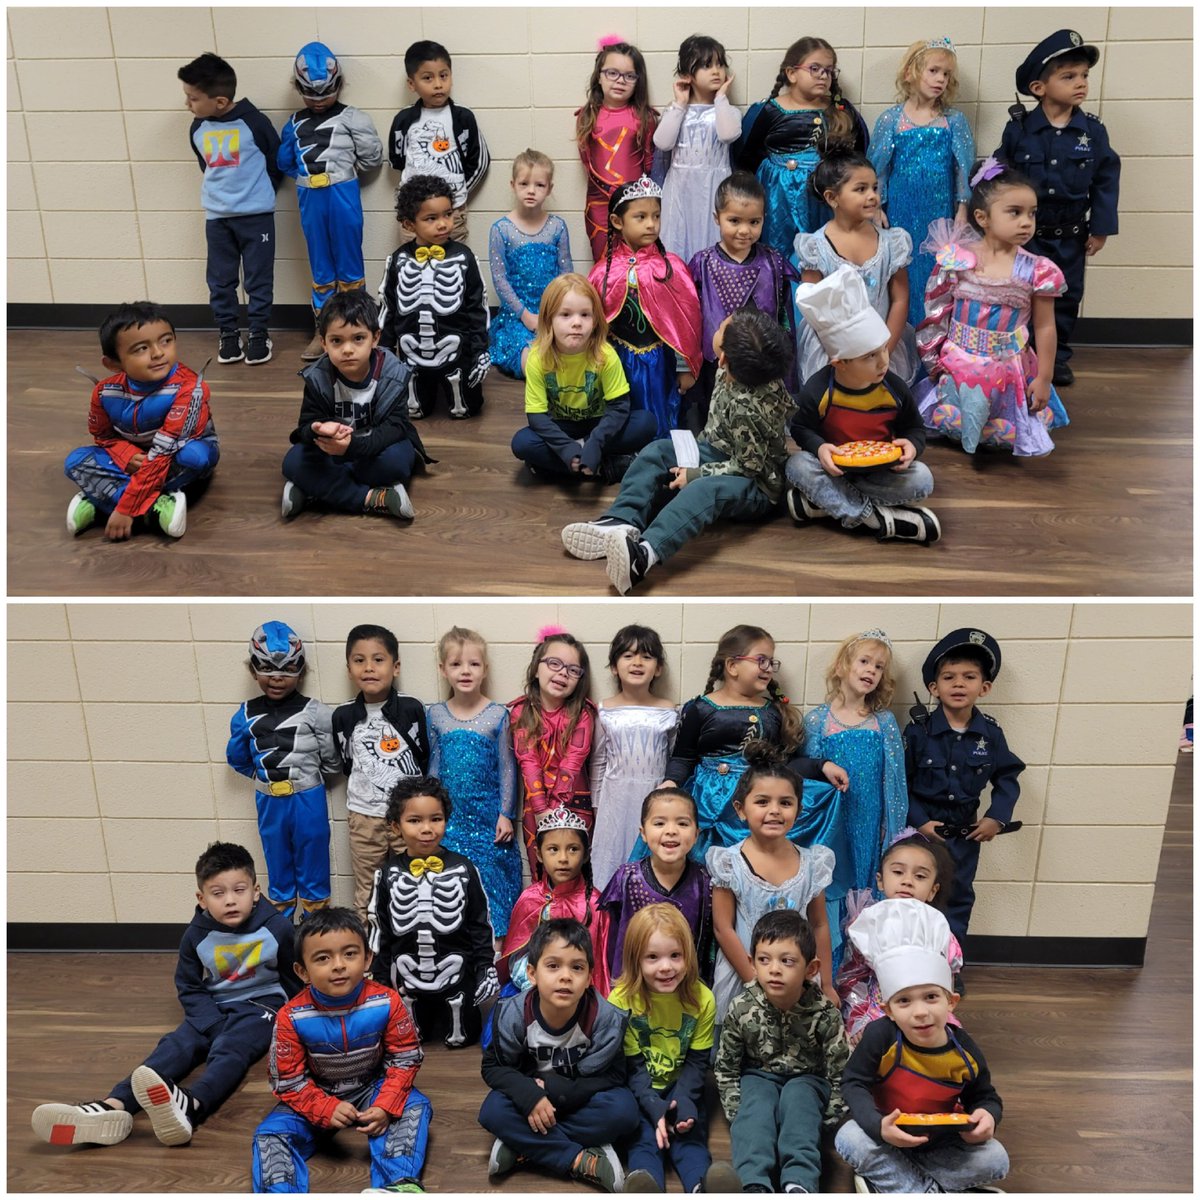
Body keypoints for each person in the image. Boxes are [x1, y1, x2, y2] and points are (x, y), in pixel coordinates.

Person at [32, 843, 297, 1149]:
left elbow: (295, 975)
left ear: (255, 891)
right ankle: (111, 1107)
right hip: (215, 1006)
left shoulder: (277, 928)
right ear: (201, 898)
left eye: (239, 890)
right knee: (175, 1046)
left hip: (261, 1006)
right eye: (218, 893)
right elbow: (189, 985)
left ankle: (191, 1105)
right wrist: (209, 1023)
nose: (230, 900)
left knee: (231, 1049)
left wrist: (295, 1022)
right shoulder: (196, 935)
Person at [560, 306, 794, 594]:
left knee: (702, 491)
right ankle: (621, 520)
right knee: (657, 451)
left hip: (754, 483)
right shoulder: (736, 369)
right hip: (716, 449)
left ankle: (643, 554)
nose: (717, 327)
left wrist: (696, 474)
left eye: (720, 328)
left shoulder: (750, 407)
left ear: (724, 359)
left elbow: (748, 467)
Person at [250, 908, 431, 1193]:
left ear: (367, 958)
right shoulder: (291, 1017)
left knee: (415, 1106)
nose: (338, 965)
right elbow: (287, 1081)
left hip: (373, 1085)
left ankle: (398, 1185)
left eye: (350, 954)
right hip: (316, 1092)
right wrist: (324, 1107)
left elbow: (405, 1058)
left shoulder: (388, 1001)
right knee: (269, 1135)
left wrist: (385, 1104)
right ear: (302, 971)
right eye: (323, 958)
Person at [834, 900, 1009, 1193]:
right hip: (884, 1137)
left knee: (996, 1158)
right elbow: (853, 1083)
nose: (920, 1012)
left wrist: (988, 1117)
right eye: (904, 1000)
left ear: (951, 1001)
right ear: (887, 1009)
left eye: (931, 997)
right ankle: (933, 1190)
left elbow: (985, 1096)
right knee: (848, 1137)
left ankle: (900, 1185)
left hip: (939, 1143)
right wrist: (878, 1126)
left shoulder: (964, 1048)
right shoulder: (880, 1036)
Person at [914, 161, 1070, 456]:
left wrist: (1045, 377)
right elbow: (939, 308)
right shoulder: (958, 259)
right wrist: (934, 355)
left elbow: (1046, 326)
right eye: (1015, 212)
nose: (1027, 222)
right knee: (957, 408)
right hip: (959, 361)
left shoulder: (1037, 270)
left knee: (998, 417)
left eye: (1032, 213)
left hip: (1006, 367)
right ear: (982, 218)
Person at [479, 918, 640, 1193]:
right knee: (493, 1110)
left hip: (579, 1097)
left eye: (577, 967)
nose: (565, 976)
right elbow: (492, 1067)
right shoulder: (515, 1014)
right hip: (533, 1098)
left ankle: (523, 1147)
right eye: (553, 966)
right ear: (532, 973)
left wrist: (554, 1091)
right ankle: (580, 1160)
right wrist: (529, 1095)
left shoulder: (602, 1018)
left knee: (624, 1111)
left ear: (590, 977)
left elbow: (615, 1074)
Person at [998, 29, 1120, 387]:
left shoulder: (1092, 132)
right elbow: (1003, 177)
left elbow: (1106, 178)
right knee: (1020, 291)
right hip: (1026, 233)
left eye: (1084, 76)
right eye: (1068, 76)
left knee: (1065, 295)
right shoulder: (1019, 130)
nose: (1080, 83)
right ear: (1039, 87)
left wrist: (1100, 227)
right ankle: (1021, 353)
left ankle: (1058, 356)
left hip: (1070, 233)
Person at [785, 266, 939, 544]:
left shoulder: (895, 388)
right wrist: (820, 448)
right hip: (834, 470)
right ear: (839, 363)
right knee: (797, 465)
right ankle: (876, 518)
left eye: (882, 348)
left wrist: (912, 447)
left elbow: (914, 428)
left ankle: (826, 503)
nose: (883, 361)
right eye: (869, 356)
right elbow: (800, 429)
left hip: (880, 473)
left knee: (923, 479)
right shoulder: (818, 390)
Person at [904, 628, 1024, 957]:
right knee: (913, 894)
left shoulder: (992, 735)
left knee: (956, 898)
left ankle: (949, 965)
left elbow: (1008, 777)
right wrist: (920, 822)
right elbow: (901, 782)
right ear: (934, 687)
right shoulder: (918, 732)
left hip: (965, 835)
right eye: (949, 677)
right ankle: (911, 961)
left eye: (969, 677)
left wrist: (996, 818)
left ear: (984, 687)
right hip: (920, 832)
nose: (959, 684)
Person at [713, 910, 850, 1194]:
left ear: (811, 969)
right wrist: (737, 1110)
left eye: (787, 961)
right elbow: (726, 1068)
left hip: (808, 1079)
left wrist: (827, 1118)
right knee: (756, 1109)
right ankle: (753, 1185)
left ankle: (799, 1185)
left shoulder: (825, 1014)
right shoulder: (742, 1008)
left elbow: (841, 1074)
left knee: (799, 1102)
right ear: (753, 963)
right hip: (759, 1076)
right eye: (764, 960)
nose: (774, 969)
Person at [609, 905, 738, 1194]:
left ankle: (702, 1187)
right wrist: (654, 1107)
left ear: (688, 956)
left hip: (683, 1086)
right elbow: (632, 1066)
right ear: (635, 959)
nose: (666, 967)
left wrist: (684, 1101)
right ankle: (646, 1185)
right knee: (644, 1139)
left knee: (689, 1137)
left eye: (675, 955)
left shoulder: (702, 999)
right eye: (652, 957)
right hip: (640, 1090)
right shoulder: (621, 1001)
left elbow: (697, 1062)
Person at [64, 301, 219, 542]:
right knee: (74, 461)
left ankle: (103, 499)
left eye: (166, 341)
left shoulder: (189, 388)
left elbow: (164, 452)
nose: (158, 353)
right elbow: (103, 437)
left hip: (174, 454)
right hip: (135, 459)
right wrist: (124, 453)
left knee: (195, 457)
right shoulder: (105, 392)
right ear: (113, 363)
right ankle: (157, 506)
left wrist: (126, 509)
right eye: (140, 349)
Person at [801, 629, 911, 965]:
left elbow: (895, 780)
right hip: (834, 825)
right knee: (834, 889)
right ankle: (831, 968)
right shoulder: (818, 720)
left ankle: (863, 970)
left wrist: (892, 830)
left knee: (866, 883)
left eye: (879, 667)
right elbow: (809, 778)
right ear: (841, 667)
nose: (871, 671)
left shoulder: (883, 722)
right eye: (864, 661)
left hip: (870, 823)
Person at [707, 744, 839, 1021]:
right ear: (741, 810)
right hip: (744, 977)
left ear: (799, 810)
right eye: (763, 802)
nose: (775, 811)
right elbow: (723, 928)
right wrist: (755, 982)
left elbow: (819, 924)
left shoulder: (813, 863)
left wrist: (826, 983)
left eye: (785, 803)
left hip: (797, 978)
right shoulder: (729, 863)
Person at [367, 776, 498, 1049]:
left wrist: (486, 966)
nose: (427, 829)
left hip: (458, 974)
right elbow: (381, 930)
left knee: (465, 1038)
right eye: (414, 821)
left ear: (446, 820)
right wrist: (379, 980)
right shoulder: (388, 873)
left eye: (435, 819)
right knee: (407, 1040)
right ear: (395, 825)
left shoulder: (464, 868)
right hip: (407, 979)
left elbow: (479, 923)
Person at [281, 289, 432, 523]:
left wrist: (352, 448)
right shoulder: (318, 377)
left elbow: (396, 427)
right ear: (323, 343)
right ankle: (373, 498)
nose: (348, 349)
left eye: (358, 338)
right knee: (293, 461)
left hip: (373, 450)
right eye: (336, 341)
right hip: (334, 451)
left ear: (375, 338)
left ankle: (313, 490)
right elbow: (304, 427)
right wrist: (317, 430)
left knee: (397, 461)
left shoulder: (393, 373)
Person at [226, 622, 340, 921]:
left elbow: (332, 758)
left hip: (307, 797)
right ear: (253, 669)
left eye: (287, 669)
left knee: (313, 859)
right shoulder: (245, 714)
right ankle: (282, 931)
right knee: (277, 862)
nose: (277, 677)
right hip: (269, 801)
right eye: (266, 668)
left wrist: (311, 780)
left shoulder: (317, 712)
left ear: (301, 671)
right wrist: (263, 778)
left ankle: (316, 931)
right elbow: (237, 758)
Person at [278, 42, 384, 361]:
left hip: (342, 193)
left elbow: (372, 157)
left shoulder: (354, 118)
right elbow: (285, 161)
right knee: (320, 265)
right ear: (299, 89)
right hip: (310, 195)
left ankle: (360, 328)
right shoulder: (293, 123)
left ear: (339, 85)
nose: (319, 100)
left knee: (350, 262)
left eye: (326, 92)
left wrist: (344, 176)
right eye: (311, 93)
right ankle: (325, 332)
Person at [178, 52, 281, 365]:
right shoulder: (198, 127)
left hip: (256, 218)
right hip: (218, 220)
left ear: (220, 101)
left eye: (193, 98)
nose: (188, 104)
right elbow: (206, 167)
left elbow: (276, 162)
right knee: (220, 281)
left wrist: (258, 196)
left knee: (258, 280)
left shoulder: (255, 122)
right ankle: (228, 335)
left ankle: (259, 334)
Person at [870, 39, 975, 328]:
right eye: (933, 71)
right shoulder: (891, 120)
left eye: (946, 75)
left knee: (936, 272)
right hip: (902, 211)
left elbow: (961, 169)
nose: (940, 79)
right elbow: (877, 168)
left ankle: (935, 337)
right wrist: (877, 204)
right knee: (905, 271)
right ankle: (903, 337)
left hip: (939, 213)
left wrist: (962, 208)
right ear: (910, 73)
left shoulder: (953, 121)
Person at [510, 274, 657, 481]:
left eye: (585, 315)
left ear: (596, 321)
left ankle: (562, 468)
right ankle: (604, 468)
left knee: (646, 423)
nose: (577, 323)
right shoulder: (537, 357)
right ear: (548, 319)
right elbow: (537, 417)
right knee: (522, 443)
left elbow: (619, 406)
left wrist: (595, 442)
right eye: (566, 315)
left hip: (599, 423)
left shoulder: (605, 354)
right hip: (561, 425)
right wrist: (566, 447)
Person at [794, 150, 920, 387]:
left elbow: (900, 300)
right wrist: (841, 354)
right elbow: (811, 305)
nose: (872, 196)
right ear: (833, 198)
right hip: (833, 353)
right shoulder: (815, 247)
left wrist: (882, 352)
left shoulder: (892, 243)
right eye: (861, 189)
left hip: (883, 346)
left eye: (874, 187)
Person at [589, 176, 703, 438]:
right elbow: (593, 324)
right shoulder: (603, 272)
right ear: (618, 222)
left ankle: (659, 454)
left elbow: (685, 322)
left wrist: (684, 367)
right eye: (640, 217)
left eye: (656, 216)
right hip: (617, 363)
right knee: (621, 411)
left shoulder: (671, 268)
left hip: (658, 363)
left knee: (661, 412)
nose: (651, 224)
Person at [427, 626, 521, 939]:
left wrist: (506, 814)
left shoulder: (497, 714)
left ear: (485, 669)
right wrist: (433, 816)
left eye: (473, 664)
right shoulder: (436, 715)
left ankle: (497, 961)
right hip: (451, 821)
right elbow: (435, 768)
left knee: (493, 887)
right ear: (443, 670)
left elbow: (508, 768)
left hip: (488, 821)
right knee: (453, 890)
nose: (465, 671)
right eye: (456, 664)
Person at [735, 36, 868, 258]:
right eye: (814, 68)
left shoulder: (842, 111)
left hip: (824, 196)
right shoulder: (767, 111)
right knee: (780, 253)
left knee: (825, 252)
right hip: (778, 196)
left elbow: (859, 156)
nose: (823, 76)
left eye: (829, 70)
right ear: (791, 73)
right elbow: (745, 156)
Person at [331, 624, 430, 921]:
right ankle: (369, 950)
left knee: (414, 880)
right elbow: (346, 763)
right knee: (368, 888)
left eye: (378, 659)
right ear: (349, 669)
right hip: (364, 816)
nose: (369, 668)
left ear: (395, 666)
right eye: (359, 660)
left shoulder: (412, 709)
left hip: (408, 815)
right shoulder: (343, 716)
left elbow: (424, 756)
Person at [688, 172, 799, 426]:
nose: (744, 230)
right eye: (734, 220)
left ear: (764, 220)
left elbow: (784, 319)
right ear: (717, 218)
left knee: (758, 420)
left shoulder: (773, 263)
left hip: (762, 364)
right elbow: (692, 319)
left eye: (753, 222)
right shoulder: (702, 263)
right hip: (715, 365)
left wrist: (786, 365)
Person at [378, 174, 491, 419]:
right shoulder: (398, 260)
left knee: (468, 409)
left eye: (448, 214)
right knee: (414, 412)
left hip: (457, 353)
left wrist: (481, 350)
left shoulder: (464, 257)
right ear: (409, 224)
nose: (443, 224)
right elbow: (388, 307)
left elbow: (477, 307)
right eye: (431, 218)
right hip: (412, 355)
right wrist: (384, 350)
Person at [837, 831, 962, 1045]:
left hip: (928, 1006)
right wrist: (859, 1017)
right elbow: (853, 976)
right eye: (897, 872)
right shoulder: (869, 924)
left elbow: (947, 978)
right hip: (880, 1006)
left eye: (920, 876)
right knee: (873, 1044)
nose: (907, 881)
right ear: (880, 880)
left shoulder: (938, 927)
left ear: (933, 890)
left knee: (948, 1043)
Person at [588, 624, 680, 887]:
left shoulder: (668, 711)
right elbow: (598, 762)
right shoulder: (605, 710)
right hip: (614, 804)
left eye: (647, 657)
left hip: (655, 800)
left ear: (658, 668)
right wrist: (597, 810)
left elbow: (674, 760)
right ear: (615, 667)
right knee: (612, 869)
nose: (637, 662)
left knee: (653, 868)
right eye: (628, 656)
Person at [598, 787, 715, 987]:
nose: (671, 831)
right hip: (634, 989)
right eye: (659, 823)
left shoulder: (705, 881)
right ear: (643, 833)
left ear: (696, 834)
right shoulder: (627, 879)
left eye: (682, 823)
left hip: (684, 988)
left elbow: (707, 945)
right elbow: (613, 940)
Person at [508, 627, 597, 873]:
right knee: (541, 871)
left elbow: (573, 761)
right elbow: (528, 762)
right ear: (537, 668)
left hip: (574, 803)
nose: (562, 673)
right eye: (554, 663)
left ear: (580, 679)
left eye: (573, 670)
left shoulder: (583, 713)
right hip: (535, 808)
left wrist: (555, 809)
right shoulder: (520, 711)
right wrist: (540, 809)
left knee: (574, 873)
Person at [497, 807, 609, 998]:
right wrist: (535, 982)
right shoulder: (530, 899)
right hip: (532, 989)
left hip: (581, 993)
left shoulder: (595, 904)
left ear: (586, 855)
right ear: (539, 854)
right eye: (553, 849)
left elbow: (601, 965)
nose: (563, 858)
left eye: (573, 849)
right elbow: (517, 955)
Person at [387, 40, 489, 245]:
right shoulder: (403, 120)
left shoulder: (463, 117)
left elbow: (479, 162)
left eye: (444, 76)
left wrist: (458, 191)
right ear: (411, 84)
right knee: (414, 269)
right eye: (427, 78)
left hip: (452, 214)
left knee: (455, 266)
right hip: (415, 216)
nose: (438, 84)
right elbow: (396, 160)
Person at [653, 34, 740, 267]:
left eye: (720, 64)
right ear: (688, 75)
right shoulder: (676, 109)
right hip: (681, 190)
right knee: (678, 246)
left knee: (714, 246)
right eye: (707, 65)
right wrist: (680, 104)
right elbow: (662, 142)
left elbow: (728, 134)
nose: (716, 71)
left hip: (715, 189)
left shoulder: (728, 111)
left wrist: (721, 98)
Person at [488, 149, 574, 378]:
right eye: (524, 183)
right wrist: (525, 315)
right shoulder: (501, 229)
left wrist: (559, 312)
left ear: (549, 188)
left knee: (570, 353)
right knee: (531, 362)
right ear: (513, 184)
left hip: (553, 310)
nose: (531, 191)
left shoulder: (557, 227)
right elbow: (500, 279)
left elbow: (566, 274)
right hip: (517, 314)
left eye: (539, 185)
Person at [576, 39, 658, 262]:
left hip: (635, 204)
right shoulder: (587, 116)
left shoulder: (645, 117)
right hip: (599, 206)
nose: (620, 81)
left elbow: (649, 166)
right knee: (605, 265)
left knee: (639, 264)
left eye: (629, 76)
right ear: (599, 76)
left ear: (637, 81)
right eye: (612, 73)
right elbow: (587, 162)